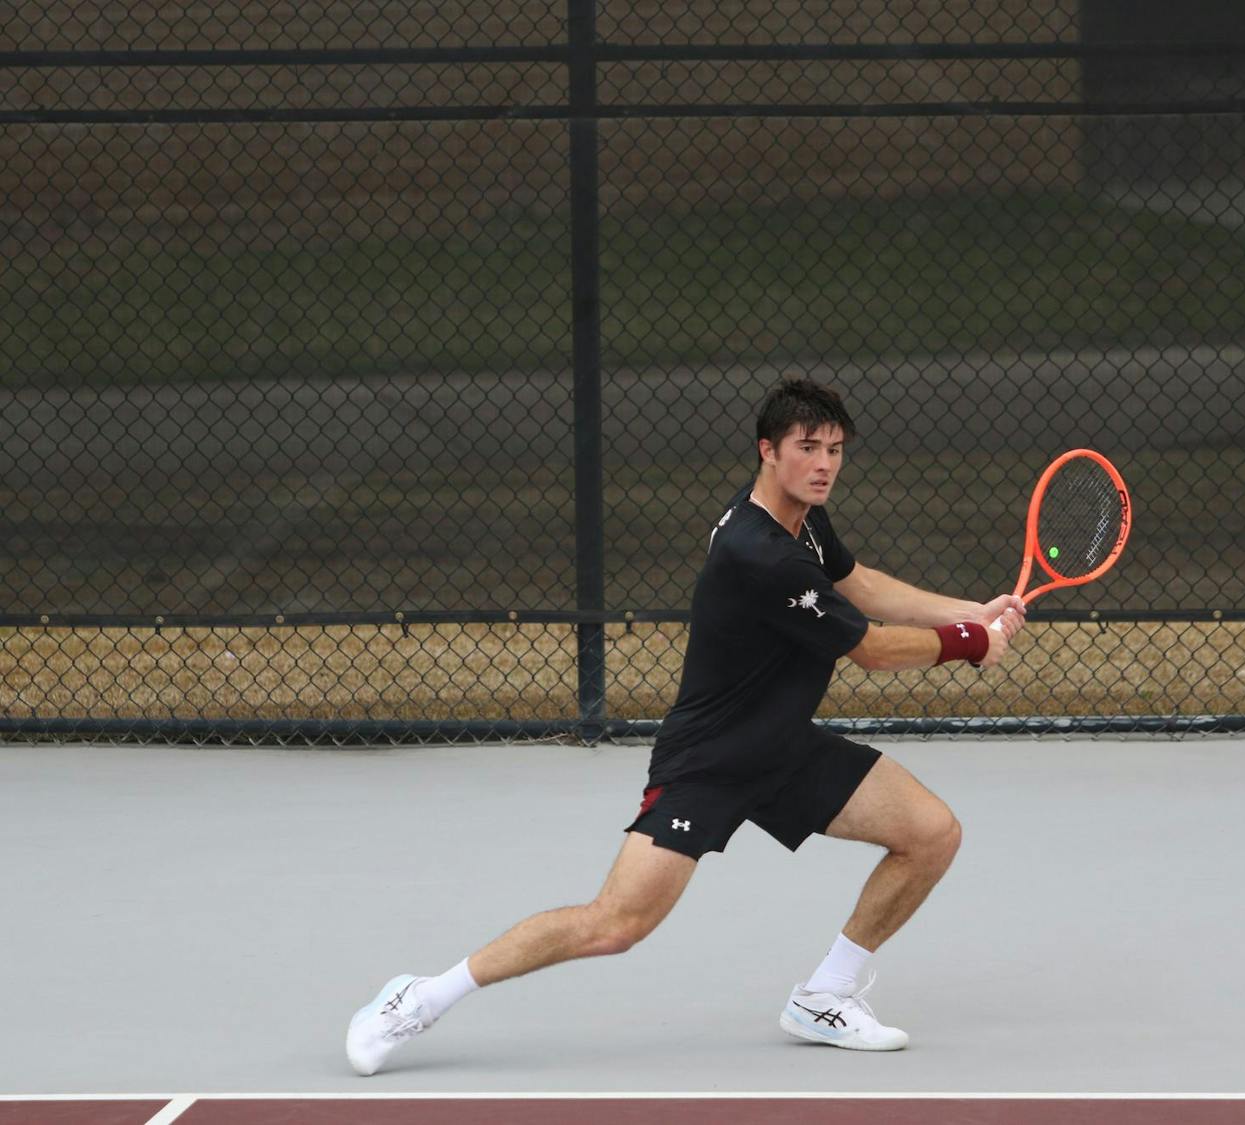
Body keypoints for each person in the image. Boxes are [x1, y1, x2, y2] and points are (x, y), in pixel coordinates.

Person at [346, 378, 1026, 1075]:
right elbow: (871, 648)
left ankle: (825, 993)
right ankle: (421, 996)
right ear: (768, 450)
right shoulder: (758, 553)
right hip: (710, 759)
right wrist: (970, 642)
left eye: (835, 449)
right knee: (616, 924)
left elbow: (860, 583)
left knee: (931, 832)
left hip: (782, 743)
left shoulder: (803, 522)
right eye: (808, 448)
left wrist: (964, 609)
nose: (825, 463)